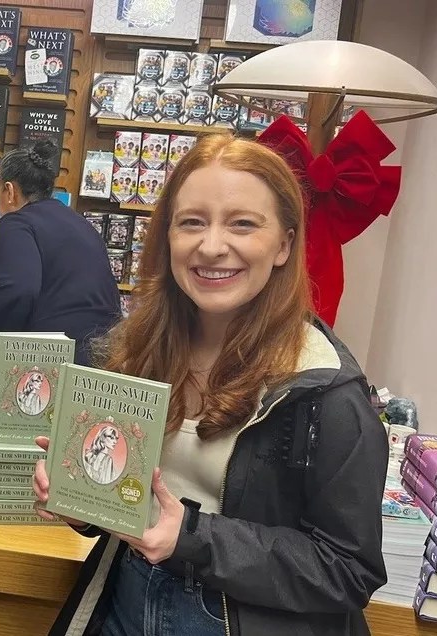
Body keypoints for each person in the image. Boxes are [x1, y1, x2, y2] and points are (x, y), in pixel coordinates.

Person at [34, 134, 388, 636]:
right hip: (125, 601)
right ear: (168, 237)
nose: (212, 245)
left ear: (285, 243)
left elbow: (349, 570)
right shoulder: (138, 350)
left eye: (243, 223)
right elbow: (133, 501)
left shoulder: (325, 392)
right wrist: (80, 500)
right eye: (192, 222)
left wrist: (193, 538)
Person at [0, 140, 121, 378]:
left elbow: (17, 289)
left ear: (10, 191)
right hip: (100, 362)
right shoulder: (82, 225)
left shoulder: (16, 223)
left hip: (45, 366)